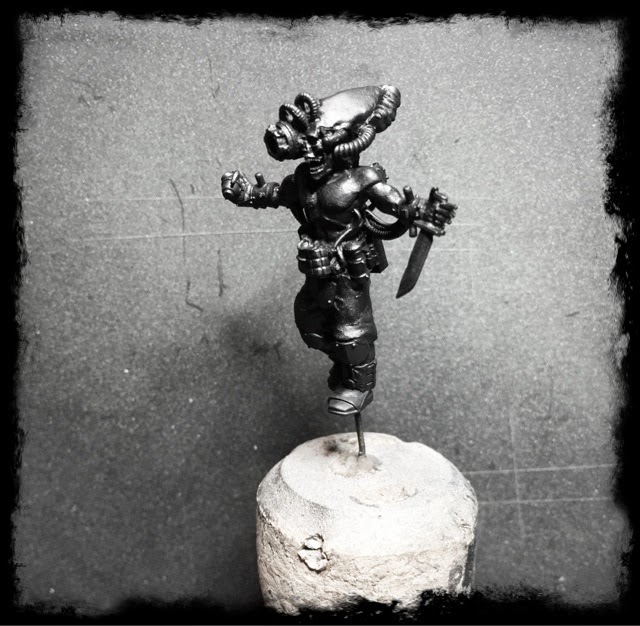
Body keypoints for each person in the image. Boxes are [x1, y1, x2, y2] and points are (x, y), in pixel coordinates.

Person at [221, 85, 456, 416]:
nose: (313, 160)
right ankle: (345, 368)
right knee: (311, 324)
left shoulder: (360, 180)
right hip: (316, 271)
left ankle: (360, 387)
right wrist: (246, 193)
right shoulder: (303, 180)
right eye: (307, 155)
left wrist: (418, 209)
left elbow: (396, 203)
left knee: (352, 331)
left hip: (347, 271)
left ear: (341, 149)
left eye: (320, 153)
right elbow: (275, 194)